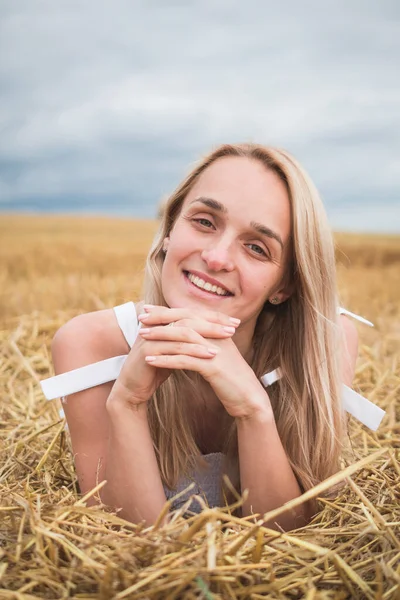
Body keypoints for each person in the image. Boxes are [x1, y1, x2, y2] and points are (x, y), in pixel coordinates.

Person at [42, 143, 366, 531]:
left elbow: (290, 540)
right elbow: (127, 545)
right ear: (169, 230)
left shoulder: (326, 343)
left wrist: (252, 408)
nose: (216, 258)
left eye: (257, 248)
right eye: (205, 222)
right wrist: (127, 403)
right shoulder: (90, 344)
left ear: (285, 285)